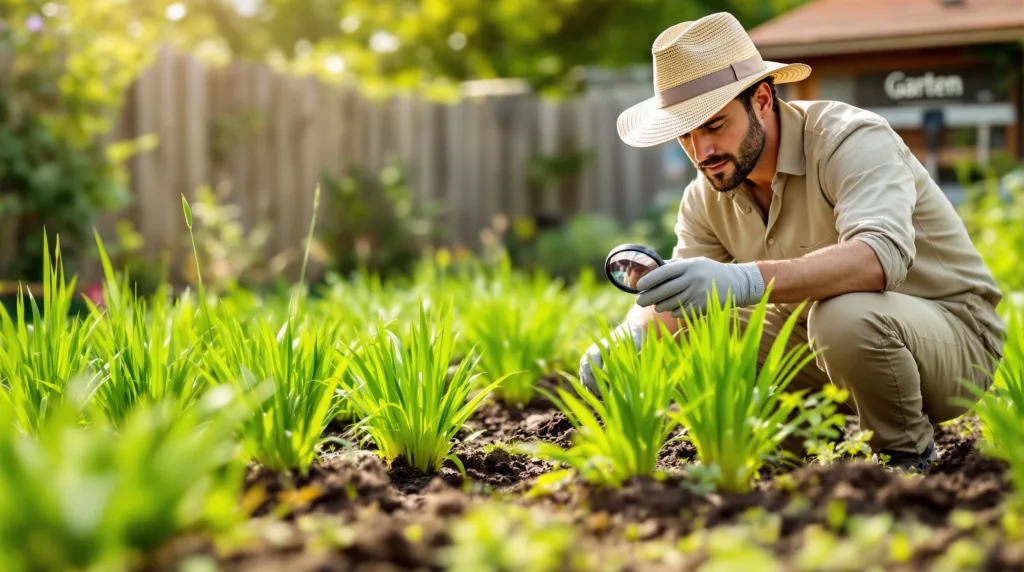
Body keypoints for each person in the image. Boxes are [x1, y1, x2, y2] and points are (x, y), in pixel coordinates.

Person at [579, 12, 1007, 473]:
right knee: (688, 329)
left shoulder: (849, 141)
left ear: (762, 99)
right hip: (824, 345)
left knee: (842, 315)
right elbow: (677, 297)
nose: (701, 153)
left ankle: (903, 460)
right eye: (686, 135)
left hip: (951, 342)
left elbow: (877, 259)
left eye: (714, 125)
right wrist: (628, 337)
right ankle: (790, 452)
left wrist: (743, 280)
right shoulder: (707, 195)